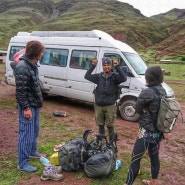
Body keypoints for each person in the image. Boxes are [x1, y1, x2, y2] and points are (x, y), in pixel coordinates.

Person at [124, 66, 166, 185]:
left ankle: (127, 183)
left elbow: (137, 108)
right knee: (154, 156)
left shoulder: (147, 92)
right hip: (158, 131)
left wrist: (143, 108)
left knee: (136, 158)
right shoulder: (162, 90)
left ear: (149, 77)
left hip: (146, 132)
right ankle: (153, 181)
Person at [14, 40, 45, 173]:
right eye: (41, 52)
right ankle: (22, 163)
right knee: (26, 134)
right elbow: (20, 92)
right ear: (36, 52)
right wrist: (26, 108)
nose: (42, 54)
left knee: (34, 130)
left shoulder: (32, 64)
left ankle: (32, 151)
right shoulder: (23, 67)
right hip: (28, 107)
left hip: (35, 105)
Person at [84, 57, 127, 145]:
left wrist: (117, 67)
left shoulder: (115, 77)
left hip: (110, 105)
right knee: (100, 125)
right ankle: (102, 142)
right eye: (104, 65)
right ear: (102, 66)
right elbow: (87, 76)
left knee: (110, 126)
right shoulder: (99, 76)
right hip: (99, 105)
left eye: (108, 65)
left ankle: (111, 144)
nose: (106, 67)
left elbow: (124, 78)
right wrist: (93, 65)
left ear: (111, 66)